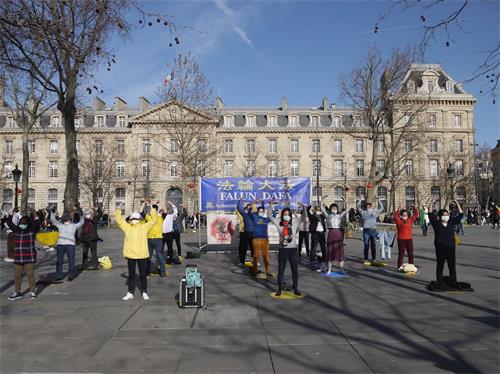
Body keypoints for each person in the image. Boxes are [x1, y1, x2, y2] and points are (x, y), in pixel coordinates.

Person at [115, 203, 158, 300]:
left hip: (142, 255)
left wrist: (152, 209)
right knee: (131, 275)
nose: (134, 220)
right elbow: (119, 221)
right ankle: (130, 292)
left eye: (136, 219)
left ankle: (144, 291)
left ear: (139, 220)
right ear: (130, 220)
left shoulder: (144, 227)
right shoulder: (127, 228)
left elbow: (153, 220)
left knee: (143, 275)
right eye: (132, 219)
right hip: (131, 255)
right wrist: (118, 209)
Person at [6, 209, 42, 300]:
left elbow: (38, 223)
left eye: (24, 223)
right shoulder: (17, 231)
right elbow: (9, 223)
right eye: (21, 223)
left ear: (28, 224)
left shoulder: (32, 232)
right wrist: (11, 213)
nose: (23, 225)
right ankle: (17, 292)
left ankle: (32, 291)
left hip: (29, 257)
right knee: (17, 276)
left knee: (30, 274)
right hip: (18, 258)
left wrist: (34, 213)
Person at [428, 198, 464, 289]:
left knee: (452, 266)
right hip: (440, 247)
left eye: (447, 214)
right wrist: (432, 202)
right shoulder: (436, 224)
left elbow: (461, 214)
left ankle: (453, 281)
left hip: (450, 247)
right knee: (440, 265)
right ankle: (439, 281)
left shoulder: (452, 222)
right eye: (444, 215)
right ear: (440, 216)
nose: (446, 216)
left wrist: (457, 204)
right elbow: (430, 214)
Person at [268, 203, 301, 296]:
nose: (286, 216)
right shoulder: (279, 224)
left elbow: (303, 218)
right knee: (281, 270)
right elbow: (269, 216)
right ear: (282, 215)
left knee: (295, 270)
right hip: (283, 249)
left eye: (288, 214)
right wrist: (271, 205)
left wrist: (304, 207)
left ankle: (296, 289)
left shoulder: (294, 223)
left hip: (293, 249)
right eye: (285, 214)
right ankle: (279, 290)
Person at [50, 206, 84, 281]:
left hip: (70, 244)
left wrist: (81, 214)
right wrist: (52, 212)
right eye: (65, 219)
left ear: (70, 220)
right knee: (59, 260)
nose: (66, 221)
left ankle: (71, 274)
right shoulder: (60, 225)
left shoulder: (74, 226)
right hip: (61, 244)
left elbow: (81, 222)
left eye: (68, 219)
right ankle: (59, 274)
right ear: (63, 220)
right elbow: (53, 220)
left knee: (71, 260)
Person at [321, 197, 348, 274]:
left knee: (340, 251)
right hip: (331, 233)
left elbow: (346, 210)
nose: (334, 209)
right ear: (330, 209)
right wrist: (322, 199)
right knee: (330, 251)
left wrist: (345, 201)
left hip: (338, 233)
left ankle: (342, 269)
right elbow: (322, 208)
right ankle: (329, 269)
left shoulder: (339, 216)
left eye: (335, 208)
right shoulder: (327, 215)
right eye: (333, 208)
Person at [357, 199, 384, 265]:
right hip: (366, 230)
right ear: (365, 207)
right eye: (367, 207)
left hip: (373, 230)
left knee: (373, 245)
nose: (368, 207)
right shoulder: (364, 212)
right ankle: (366, 259)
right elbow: (358, 207)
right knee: (366, 245)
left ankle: (373, 259)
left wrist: (379, 200)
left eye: (369, 206)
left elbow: (382, 208)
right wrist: (360, 200)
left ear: (371, 207)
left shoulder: (374, 212)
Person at [143, 200, 166, 277]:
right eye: (151, 209)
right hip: (149, 239)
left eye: (154, 209)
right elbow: (141, 213)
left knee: (160, 256)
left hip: (158, 239)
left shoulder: (160, 217)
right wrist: (146, 204)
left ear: (156, 210)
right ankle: (147, 272)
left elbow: (165, 211)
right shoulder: (148, 217)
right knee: (148, 257)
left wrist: (160, 203)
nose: (152, 211)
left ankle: (162, 272)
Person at [249, 200, 272, 277]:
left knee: (266, 256)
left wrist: (271, 205)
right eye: (260, 211)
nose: (261, 212)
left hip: (265, 240)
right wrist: (252, 204)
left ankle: (268, 271)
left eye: (262, 211)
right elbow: (249, 213)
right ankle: (254, 271)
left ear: (264, 212)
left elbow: (272, 215)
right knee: (256, 256)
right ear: (258, 212)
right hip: (256, 239)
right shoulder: (255, 217)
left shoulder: (266, 219)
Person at [305, 202, 326, 271]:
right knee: (314, 247)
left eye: (319, 209)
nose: (318, 210)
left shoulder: (322, 216)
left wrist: (322, 205)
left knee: (323, 247)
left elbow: (326, 212)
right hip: (315, 233)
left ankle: (323, 260)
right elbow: (308, 212)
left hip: (322, 233)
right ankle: (312, 260)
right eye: (317, 209)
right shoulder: (313, 216)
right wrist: (310, 206)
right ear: (315, 210)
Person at [236, 200, 256, 266]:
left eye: (250, 207)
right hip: (245, 233)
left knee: (254, 248)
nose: (249, 208)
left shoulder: (254, 215)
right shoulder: (244, 214)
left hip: (253, 233)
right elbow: (239, 207)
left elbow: (261, 209)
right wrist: (240, 201)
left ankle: (254, 261)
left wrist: (254, 202)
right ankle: (242, 262)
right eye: (248, 207)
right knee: (243, 248)